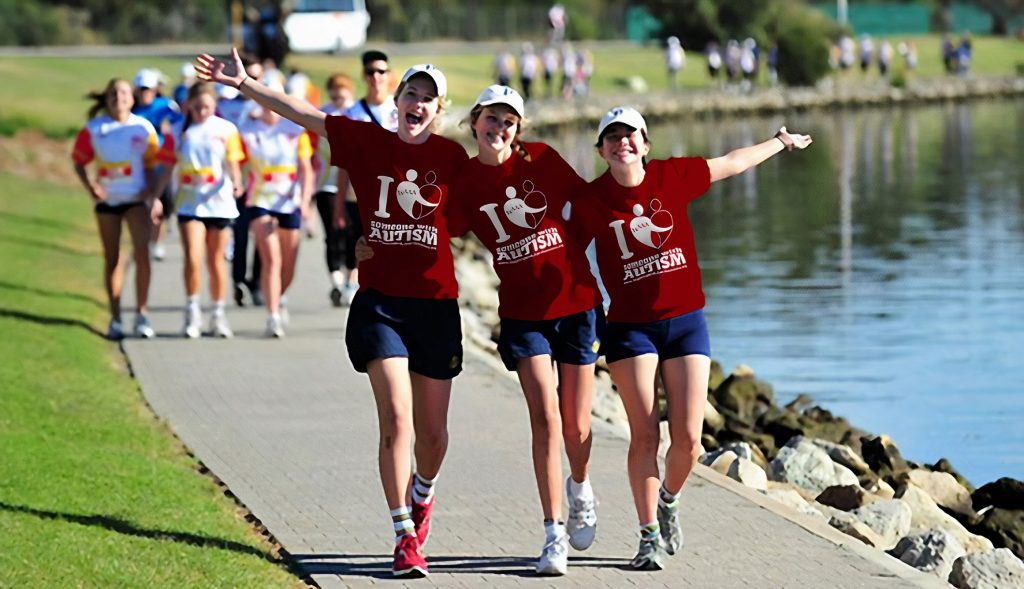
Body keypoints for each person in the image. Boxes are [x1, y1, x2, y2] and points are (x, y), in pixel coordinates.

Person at [196, 50, 469, 577]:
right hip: (381, 305)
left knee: (433, 436)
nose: (417, 103)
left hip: (436, 306)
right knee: (396, 420)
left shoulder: (453, 159)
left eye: (427, 98)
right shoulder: (366, 141)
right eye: (410, 92)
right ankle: (404, 535)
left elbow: (490, 198)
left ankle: (423, 492)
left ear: (438, 111)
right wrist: (247, 84)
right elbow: (301, 112)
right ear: (396, 99)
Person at [573, 107, 811, 570]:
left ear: (645, 144)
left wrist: (778, 143)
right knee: (644, 436)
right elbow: (558, 249)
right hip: (629, 329)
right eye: (612, 136)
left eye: (630, 135)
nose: (622, 141)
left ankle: (668, 500)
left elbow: (732, 162)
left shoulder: (673, 176)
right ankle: (646, 539)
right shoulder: (590, 201)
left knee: (688, 441)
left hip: (686, 322)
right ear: (602, 151)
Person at [446, 86, 603, 575]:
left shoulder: (541, 159)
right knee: (546, 418)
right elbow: (432, 231)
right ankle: (553, 532)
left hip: (576, 304)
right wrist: (369, 247)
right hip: (522, 315)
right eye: (492, 119)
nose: (499, 129)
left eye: (509, 122)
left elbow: (589, 206)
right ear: (475, 122)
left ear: (518, 130)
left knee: (577, 426)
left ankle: (580, 486)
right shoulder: (466, 182)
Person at [71, 78, 163, 340]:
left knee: (142, 253)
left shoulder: (143, 128)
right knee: (112, 258)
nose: (118, 97)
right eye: (113, 93)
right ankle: (116, 318)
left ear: (132, 98)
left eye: (123, 93)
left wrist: (151, 191)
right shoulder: (95, 128)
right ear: (106, 98)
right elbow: (78, 161)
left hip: (136, 199)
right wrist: (91, 186)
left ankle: (142, 315)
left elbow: (153, 165)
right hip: (108, 201)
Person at [154, 82, 244, 338]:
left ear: (214, 106)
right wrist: (156, 196)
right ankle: (192, 311)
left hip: (220, 203)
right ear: (189, 105)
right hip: (190, 203)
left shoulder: (226, 129)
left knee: (216, 261)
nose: (202, 111)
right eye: (197, 106)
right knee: (193, 257)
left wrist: (237, 182)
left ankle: (217, 314)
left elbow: (232, 162)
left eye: (207, 106)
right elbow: (168, 166)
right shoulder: (179, 130)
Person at [236, 75, 315, 338]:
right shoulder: (248, 128)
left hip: (289, 201)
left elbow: (307, 169)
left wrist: (305, 202)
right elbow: (235, 160)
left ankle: (278, 297)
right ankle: (272, 316)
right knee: (272, 259)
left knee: (288, 264)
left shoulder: (295, 130)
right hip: (260, 200)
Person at [330, 50, 400, 306]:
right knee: (356, 240)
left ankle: (384, 287)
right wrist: (338, 203)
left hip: (393, 194)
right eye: (371, 72)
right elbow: (344, 163)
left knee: (388, 243)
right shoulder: (351, 113)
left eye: (381, 71)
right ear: (364, 75)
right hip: (358, 193)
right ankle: (354, 284)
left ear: (388, 74)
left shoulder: (399, 110)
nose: (376, 77)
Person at [314, 72, 356, 306]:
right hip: (326, 184)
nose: (338, 98)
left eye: (343, 94)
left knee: (352, 234)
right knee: (332, 235)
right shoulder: (323, 114)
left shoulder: (356, 115)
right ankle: (336, 282)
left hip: (353, 187)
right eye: (335, 93)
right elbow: (311, 154)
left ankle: (351, 280)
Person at [132, 68, 182, 262]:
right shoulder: (132, 108)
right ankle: (143, 241)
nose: (145, 93)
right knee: (141, 207)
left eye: (148, 89)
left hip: (162, 164)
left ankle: (157, 242)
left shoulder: (166, 106)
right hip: (139, 165)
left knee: (162, 205)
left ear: (155, 90)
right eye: (142, 89)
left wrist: (169, 128)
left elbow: (182, 125)